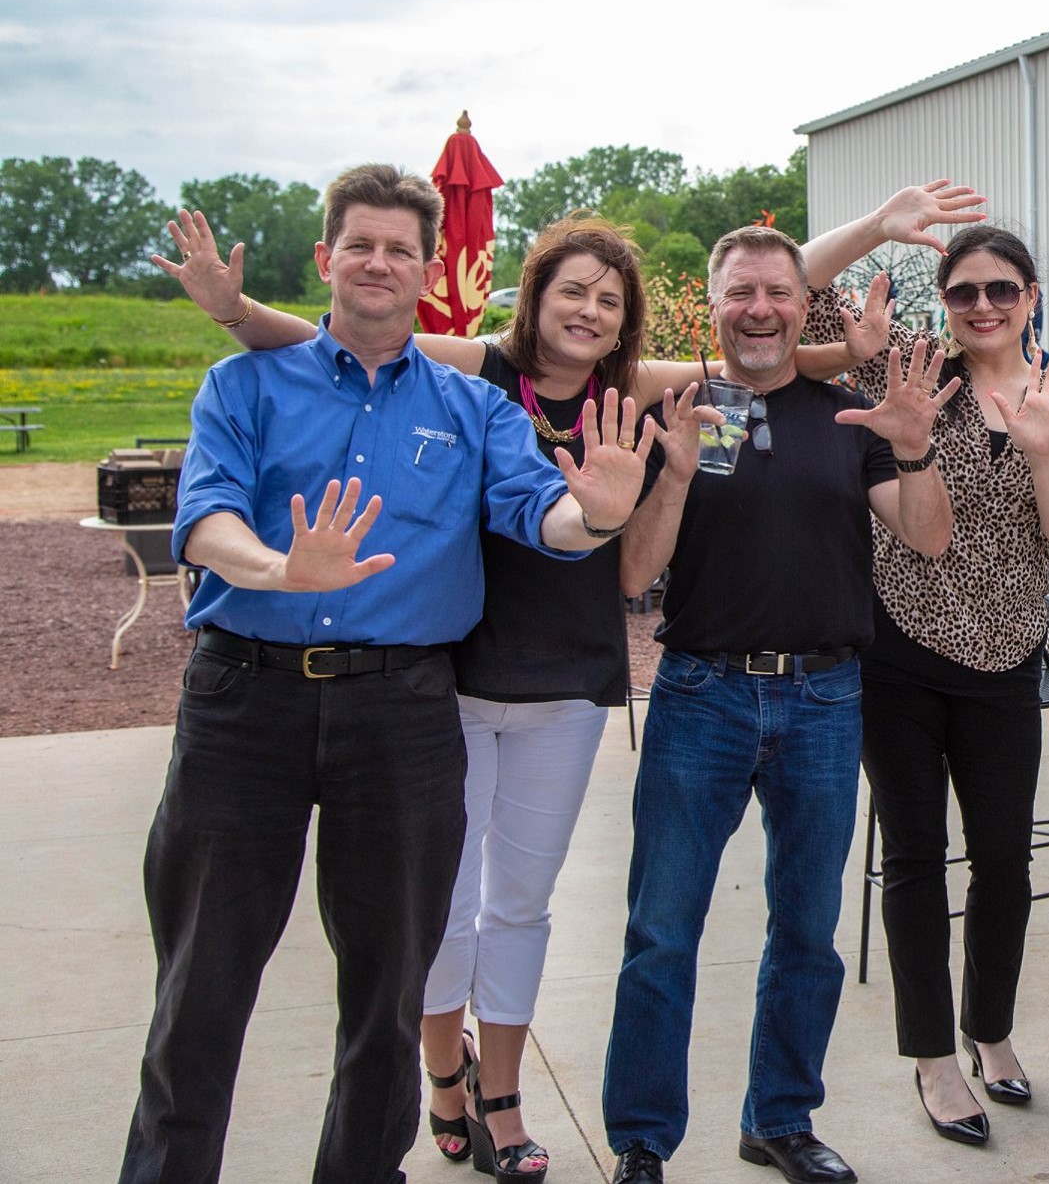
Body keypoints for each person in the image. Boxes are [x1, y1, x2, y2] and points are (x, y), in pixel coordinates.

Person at [159, 211, 885, 1180]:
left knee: (504, 913)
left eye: (608, 298)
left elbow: (756, 344)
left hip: (558, 685)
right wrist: (234, 310)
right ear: (531, 295)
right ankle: (446, 1081)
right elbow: (347, 336)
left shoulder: (604, 398)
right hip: (440, 682)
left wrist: (598, 509)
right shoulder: (473, 382)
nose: (586, 310)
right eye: (569, 290)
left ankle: (495, 1098)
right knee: (427, 919)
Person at [121, 164, 657, 1184]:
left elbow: (536, 516)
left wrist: (595, 513)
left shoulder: (473, 408)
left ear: (430, 270)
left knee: (387, 991)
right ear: (327, 260)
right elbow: (206, 521)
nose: (378, 262)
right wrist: (282, 569)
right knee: (201, 988)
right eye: (358, 244)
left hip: (401, 713)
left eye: (399, 249)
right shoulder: (242, 386)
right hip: (244, 705)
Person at [603, 224, 959, 1184]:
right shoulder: (675, 411)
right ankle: (642, 1138)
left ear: (805, 306)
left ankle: (781, 1118)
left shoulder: (850, 415)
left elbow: (928, 540)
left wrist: (918, 451)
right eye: (740, 293)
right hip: (700, 695)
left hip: (825, 697)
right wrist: (672, 475)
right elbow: (635, 570)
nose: (759, 309)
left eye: (778, 292)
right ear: (711, 307)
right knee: (661, 930)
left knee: (807, 929)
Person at [797, 215, 1049, 1147]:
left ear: (1031, 300)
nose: (981, 306)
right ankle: (934, 1057)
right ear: (946, 301)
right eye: (963, 290)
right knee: (916, 859)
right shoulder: (907, 370)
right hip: (898, 645)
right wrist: (882, 222)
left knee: (1006, 863)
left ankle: (992, 1030)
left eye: (1000, 289)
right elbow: (799, 283)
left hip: (1008, 652)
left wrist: (1046, 448)